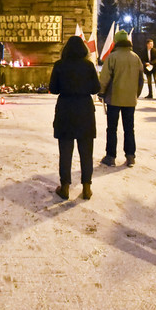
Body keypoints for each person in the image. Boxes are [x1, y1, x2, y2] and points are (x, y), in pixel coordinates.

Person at [50, 36, 101, 200]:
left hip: (65, 110)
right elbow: (96, 88)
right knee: (86, 151)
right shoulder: (88, 66)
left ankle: (65, 186)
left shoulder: (59, 66)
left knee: (65, 151)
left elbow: (54, 88)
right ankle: (87, 187)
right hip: (84, 110)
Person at [98, 30, 144, 167]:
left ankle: (110, 156)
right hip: (130, 99)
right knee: (129, 128)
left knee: (112, 128)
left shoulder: (112, 57)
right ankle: (130, 156)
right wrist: (136, 93)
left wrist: (101, 92)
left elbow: (105, 77)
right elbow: (141, 79)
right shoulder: (136, 57)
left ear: (117, 42)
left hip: (114, 98)